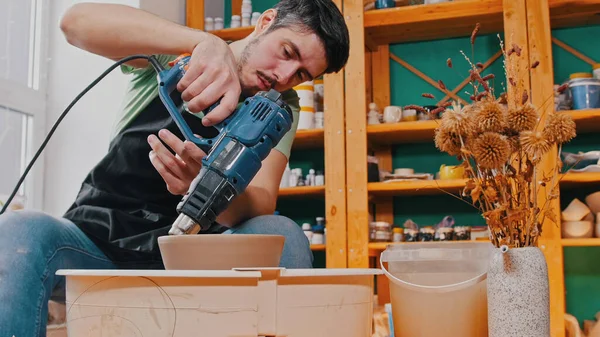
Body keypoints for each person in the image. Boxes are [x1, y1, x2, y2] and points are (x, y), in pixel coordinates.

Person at [0, 0, 350, 335]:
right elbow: (75, 23)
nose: (285, 76)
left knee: (281, 232)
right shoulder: (178, 53)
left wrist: (205, 188)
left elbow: (261, 203)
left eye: (302, 74)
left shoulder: (280, 108)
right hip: (99, 244)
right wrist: (202, 41)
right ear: (266, 21)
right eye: (288, 53)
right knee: (21, 230)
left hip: (190, 262)